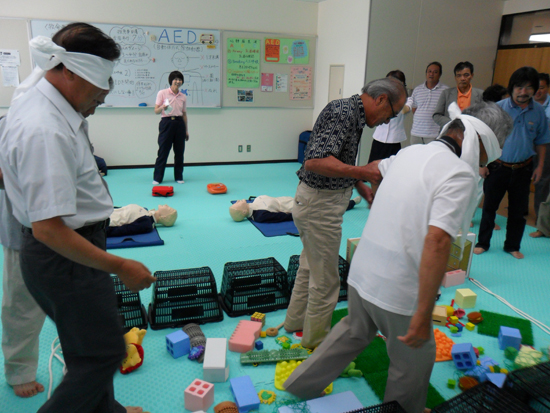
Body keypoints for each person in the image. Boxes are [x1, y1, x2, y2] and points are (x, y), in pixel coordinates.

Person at [283, 101, 513, 413]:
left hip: (363, 271)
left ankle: (300, 384)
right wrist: (422, 312)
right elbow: (438, 241)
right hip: (397, 288)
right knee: (414, 362)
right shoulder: (459, 174)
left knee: (354, 329)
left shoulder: (410, 152)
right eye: (490, 154)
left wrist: (384, 198)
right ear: (481, 142)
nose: (487, 162)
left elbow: (377, 169)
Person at [0, 23, 156, 413]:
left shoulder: (42, 80)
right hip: (65, 254)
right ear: (69, 73)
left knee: (88, 346)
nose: (105, 94)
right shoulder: (45, 131)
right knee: (102, 353)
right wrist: (121, 265)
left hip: (68, 249)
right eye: (99, 84)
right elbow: (50, 231)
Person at [283, 77, 408, 349]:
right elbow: (314, 161)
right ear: (381, 99)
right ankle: (315, 346)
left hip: (317, 203)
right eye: (392, 114)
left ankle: (294, 322)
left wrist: (358, 184)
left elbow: (337, 159)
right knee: (327, 281)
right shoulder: (343, 113)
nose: (388, 121)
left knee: (310, 266)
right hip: (320, 207)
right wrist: (362, 172)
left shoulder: (354, 114)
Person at [475, 67, 550, 259]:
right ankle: (483, 242)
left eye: (528, 88)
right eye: (518, 87)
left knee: (517, 212)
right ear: (512, 88)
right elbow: (483, 137)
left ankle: (512, 246)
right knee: (489, 208)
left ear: (534, 89)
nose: (523, 92)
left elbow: (542, 141)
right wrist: (482, 164)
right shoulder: (498, 108)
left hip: (524, 168)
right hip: (497, 166)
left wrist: (540, 166)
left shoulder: (539, 112)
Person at [153, 70, 189, 185]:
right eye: (175, 79)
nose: (178, 82)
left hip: (179, 124)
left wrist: (186, 130)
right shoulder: (162, 93)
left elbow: (184, 114)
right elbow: (156, 111)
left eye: (179, 80)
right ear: (171, 81)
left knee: (179, 152)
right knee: (163, 151)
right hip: (166, 123)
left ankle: (179, 176)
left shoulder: (183, 96)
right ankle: (157, 178)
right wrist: (163, 107)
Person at [229, 195, 361, 223]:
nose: (239, 200)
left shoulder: (253, 202)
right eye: (237, 204)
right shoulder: (260, 215)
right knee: (326, 208)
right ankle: (350, 203)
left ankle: (342, 198)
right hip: (297, 207)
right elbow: (284, 216)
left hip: (292, 199)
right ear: (243, 212)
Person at [433, 61, 483, 129]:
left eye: (466, 75)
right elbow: (436, 115)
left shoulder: (481, 94)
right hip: (450, 131)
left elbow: (486, 116)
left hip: (473, 131)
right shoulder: (446, 93)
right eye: (459, 75)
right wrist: (452, 123)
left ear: (472, 76)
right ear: (455, 77)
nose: (462, 78)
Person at [410, 62, 449, 145]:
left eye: (435, 72)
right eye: (429, 71)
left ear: (440, 74)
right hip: (416, 133)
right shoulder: (417, 89)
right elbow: (414, 109)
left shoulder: (445, 91)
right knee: (414, 157)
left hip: (434, 134)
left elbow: (447, 112)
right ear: (426, 73)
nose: (431, 74)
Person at [533, 73, 550, 220]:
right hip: (527, 144)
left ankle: (541, 218)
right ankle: (520, 210)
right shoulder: (528, 102)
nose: (538, 91)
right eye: (536, 87)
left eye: (542, 87)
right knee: (523, 177)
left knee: (542, 180)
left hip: (546, 146)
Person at [107, 204, 177, 237]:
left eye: (169, 209)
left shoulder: (146, 223)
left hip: (105, 220)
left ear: (164, 217)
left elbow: (124, 230)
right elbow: (122, 209)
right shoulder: (145, 212)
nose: (166, 205)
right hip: (105, 212)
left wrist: (102, 231)